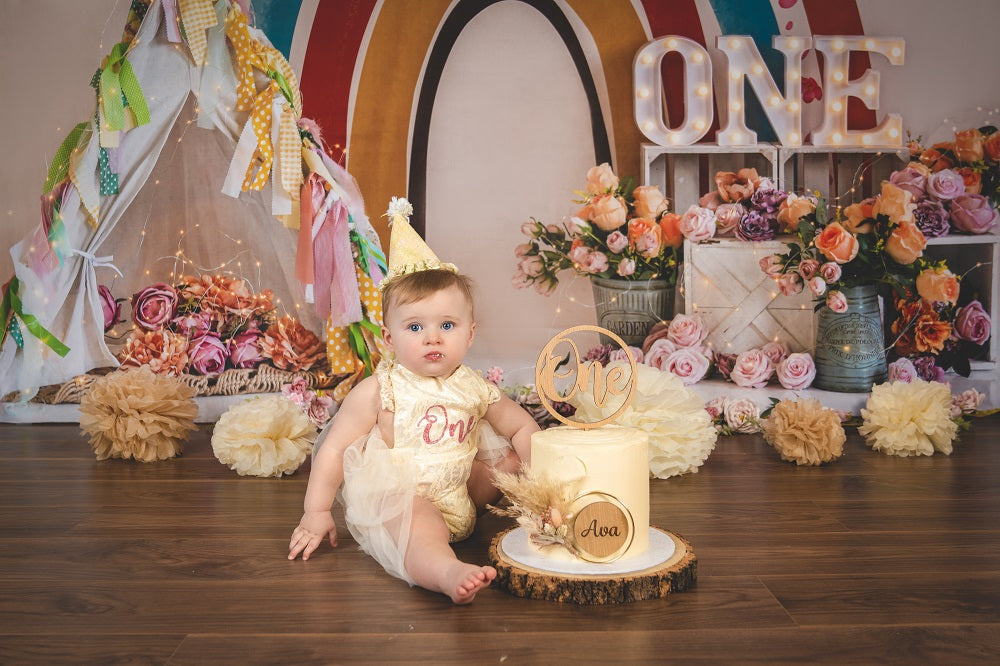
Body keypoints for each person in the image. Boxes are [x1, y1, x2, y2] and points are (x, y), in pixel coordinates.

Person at [288, 198, 538, 604]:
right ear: (389, 339)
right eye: (416, 326)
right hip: (406, 497)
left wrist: (536, 482)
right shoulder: (380, 389)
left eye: (447, 325)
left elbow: (523, 426)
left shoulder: (476, 387)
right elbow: (334, 448)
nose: (432, 337)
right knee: (419, 525)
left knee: (506, 460)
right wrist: (316, 511)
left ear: (470, 334)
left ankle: (538, 514)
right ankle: (446, 571)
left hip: (461, 493)